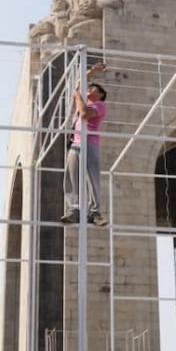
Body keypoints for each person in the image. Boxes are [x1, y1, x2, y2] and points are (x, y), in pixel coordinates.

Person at [62, 62, 108, 227]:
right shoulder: (83, 99)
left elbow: (84, 113)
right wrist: (91, 71)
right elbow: (79, 85)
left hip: (90, 143)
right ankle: (74, 210)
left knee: (92, 178)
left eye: (93, 89)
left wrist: (77, 97)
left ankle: (94, 212)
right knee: (71, 176)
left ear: (101, 95)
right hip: (76, 143)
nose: (89, 89)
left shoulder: (100, 105)